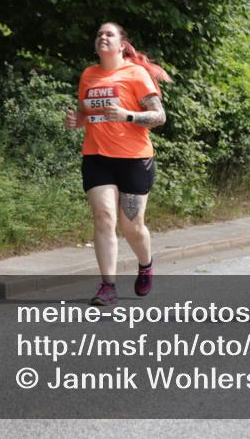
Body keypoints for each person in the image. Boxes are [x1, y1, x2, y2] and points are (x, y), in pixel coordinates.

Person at [63, 22, 170, 306]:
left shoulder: (136, 74)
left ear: (122, 44)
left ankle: (145, 264)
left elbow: (159, 117)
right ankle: (107, 286)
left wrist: (128, 116)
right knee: (104, 218)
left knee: (131, 226)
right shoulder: (89, 75)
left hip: (134, 159)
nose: (102, 37)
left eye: (109, 34)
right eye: (99, 33)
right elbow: (85, 112)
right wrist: (76, 120)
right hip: (97, 156)